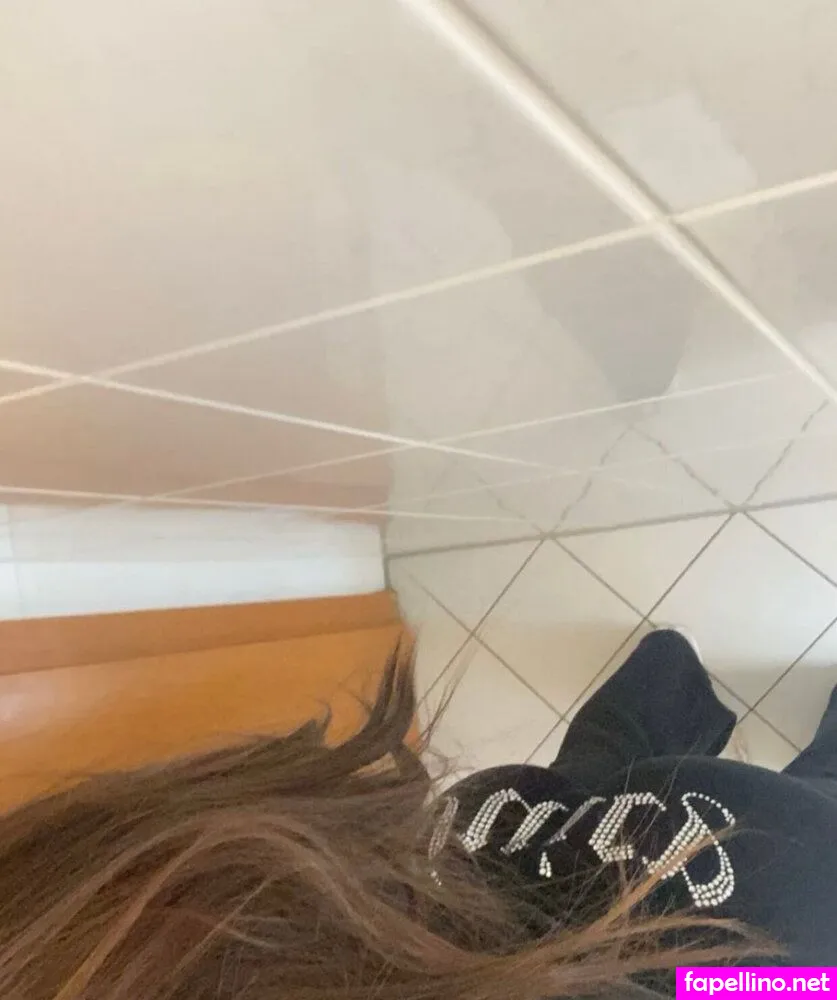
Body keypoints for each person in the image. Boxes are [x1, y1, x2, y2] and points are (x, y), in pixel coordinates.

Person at [0, 630, 833, 1000]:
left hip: (529, 852)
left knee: (601, 754)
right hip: (731, 914)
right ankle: (671, 677)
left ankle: (670, 676)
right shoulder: (766, 957)